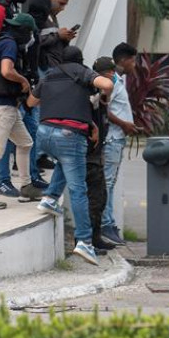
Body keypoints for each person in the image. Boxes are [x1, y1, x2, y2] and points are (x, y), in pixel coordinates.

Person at [29, 46, 113, 265]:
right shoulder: (81, 72)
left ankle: (49, 198)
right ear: (80, 61)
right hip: (69, 135)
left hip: (44, 134)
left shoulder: (48, 75)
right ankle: (85, 241)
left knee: (66, 162)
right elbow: (107, 83)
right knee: (78, 190)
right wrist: (103, 95)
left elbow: (31, 102)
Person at [0, 13, 44, 210]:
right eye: (29, 33)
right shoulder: (9, 44)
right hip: (1, 106)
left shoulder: (2, 41)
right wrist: (23, 81)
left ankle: (26, 187)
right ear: (24, 31)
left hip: (7, 106)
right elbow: (6, 71)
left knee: (25, 142)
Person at [0, 0, 51, 197]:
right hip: (15, 92)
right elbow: (12, 67)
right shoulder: (19, 32)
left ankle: (30, 178)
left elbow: (30, 62)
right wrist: (26, 81)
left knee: (28, 136)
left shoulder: (29, 28)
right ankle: (3, 180)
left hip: (25, 89)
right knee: (8, 138)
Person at [101, 42, 141, 246]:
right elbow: (103, 109)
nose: (135, 64)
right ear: (124, 60)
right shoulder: (113, 81)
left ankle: (109, 224)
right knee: (107, 183)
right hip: (112, 138)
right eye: (133, 60)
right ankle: (105, 225)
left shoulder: (117, 80)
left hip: (117, 138)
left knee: (110, 183)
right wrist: (124, 124)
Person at [88, 56, 118, 253]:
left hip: (98, 154)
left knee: (100, 197)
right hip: (89, 155)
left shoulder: (102, 96)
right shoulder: (91, 95)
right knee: (95, 198)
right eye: (110, 72)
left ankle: (95, 236)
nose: (114, 76)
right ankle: (88, 239)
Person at [38, 0, 76, 72]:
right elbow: (35, 40)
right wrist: (58, 35)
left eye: (65, 5)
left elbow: (53, 42)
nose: (62, 8)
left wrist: (65, 39)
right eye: (61, 3)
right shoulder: (39, 16)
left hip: (55, 66)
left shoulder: (53, 17)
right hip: (43, 67)